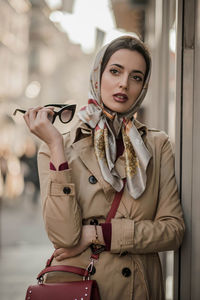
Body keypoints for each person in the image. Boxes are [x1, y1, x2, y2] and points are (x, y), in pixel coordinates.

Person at [23, 36, 185, 300]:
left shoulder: (156, 145)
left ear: (143, 86)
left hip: (138, 289)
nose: (123, 83)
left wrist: (99, 234)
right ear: (98, 74)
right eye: (115, 71)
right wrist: (54, 145)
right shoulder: (62, 146)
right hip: (83, 286)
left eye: (136, 77)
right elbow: (64, 237)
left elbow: (173, 231)